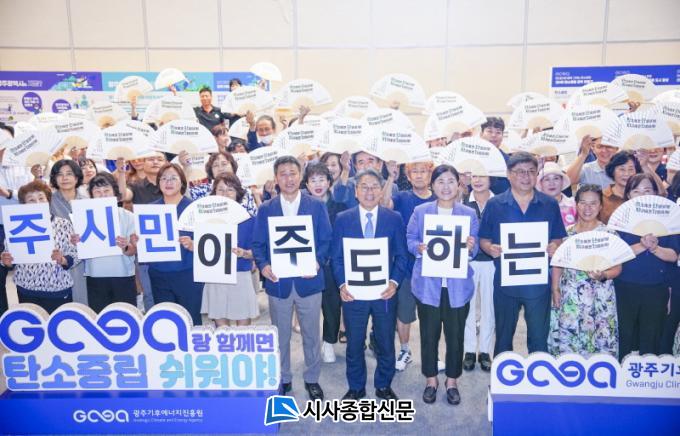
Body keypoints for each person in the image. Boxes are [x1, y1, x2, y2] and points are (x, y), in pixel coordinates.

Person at [252, 156, 332, 401]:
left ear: (301, 177)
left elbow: (326, 240)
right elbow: (258, 244)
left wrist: (317, 262)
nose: (288, 178)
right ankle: (283, 377)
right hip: (279, 283)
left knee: (311, 333)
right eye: (283, 174)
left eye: (293, 173)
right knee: (281, 335)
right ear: (276, 178)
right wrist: (264, 266)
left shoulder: (316, 206)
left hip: (309, 281)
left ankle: (312, 378)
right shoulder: (267, 209)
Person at [479, 152, 567, 355]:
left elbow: (557, 237)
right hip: (505, 281)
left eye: (531, 171)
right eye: (520, 172)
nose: (526, 177)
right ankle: (503, 374)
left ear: (537, 174)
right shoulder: (495, 204)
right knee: (503, 337)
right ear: (509, 174)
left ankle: (539, 372)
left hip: (538, 283)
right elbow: (484, 238)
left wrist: (554, 246)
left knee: (539, 338)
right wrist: (490, 248)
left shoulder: (549, 204)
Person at [332, 168, 408, 401]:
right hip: (353, 293)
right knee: (354, 343)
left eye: (375, 186)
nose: (369, 191)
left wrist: (394, 283)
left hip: (384, 293)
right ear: (355, 191)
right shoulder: (343, 219)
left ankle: (383, 385)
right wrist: (342, 285)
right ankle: (356, 387)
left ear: (381, 190)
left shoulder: (393, 218)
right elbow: (336, 257)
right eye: (364, 187)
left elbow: (402, 256)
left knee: (385, 341)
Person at [406, 164, 478, 405]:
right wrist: (418, 248)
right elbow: (410, 238)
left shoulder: (468, 214)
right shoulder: (421, 211)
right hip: (428, 286)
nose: (446, 187)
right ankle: (431, 379)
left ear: (459, 185)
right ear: (432, 185)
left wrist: (471, 246)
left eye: (450, 181)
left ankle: (452, 381)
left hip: (457, 287)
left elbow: (475, 248)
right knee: (429, 334)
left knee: (455, 335)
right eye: (440, 182)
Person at [548, 185, 620, 357]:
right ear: (576, 204)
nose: (588, 208)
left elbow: (617, 268)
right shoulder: (566, 234)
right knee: (569, 342)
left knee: (601, 344)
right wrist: (555, 289)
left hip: (600, 297)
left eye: (593, 203)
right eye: (583, 203)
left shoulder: (609, 235)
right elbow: (558, 264)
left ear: (600, 206)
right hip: (570, 295)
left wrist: (603, 275)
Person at [614, 173, 679, 359]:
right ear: (628, 195)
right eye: (636, 191)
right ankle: (623, 374)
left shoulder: (668, 221)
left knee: (651, 339)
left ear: (655, 193)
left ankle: (646, 376)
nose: (642, 195)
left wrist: (655, 247)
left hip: (656, 287)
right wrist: (642, 245)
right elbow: (616, 253)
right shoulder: (620, 220)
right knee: (625, 336)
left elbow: (674, 255)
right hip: (625, 286)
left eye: (647, 190)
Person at [384, 161, 435, 372]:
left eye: (424, 171)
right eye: (415, 171)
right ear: (409, 175)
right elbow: (383, 205)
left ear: (430, 174)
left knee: (432, 314)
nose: (420, 175)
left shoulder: (439, 197)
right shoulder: (402, 197)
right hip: (406, 265)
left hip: (434, 266)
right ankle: (405, 350)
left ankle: (431, 354)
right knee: (404, 312)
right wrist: (390, 178)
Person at [1, 181, 78, 313]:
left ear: (48, 200)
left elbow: (75, 253)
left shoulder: (63, 224)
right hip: (26, 289)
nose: (37, 203)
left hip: (58, 289)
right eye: (31, 200)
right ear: (24, 204)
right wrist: (6, 261)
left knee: (58, 325)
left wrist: (63, 259)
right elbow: (8, 256)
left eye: (41, 198)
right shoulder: (16, 224)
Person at [195, 174, 258, 326]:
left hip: (240, 273)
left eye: (230, 190)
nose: (225, 193)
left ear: (238, 193)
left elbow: (257, 251)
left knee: (243, 325)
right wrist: (193, 245)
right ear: (214, 192)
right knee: (221, 326)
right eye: (220, 189)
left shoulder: (249, 219)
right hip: (215, 274)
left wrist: (245, 253)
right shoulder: (205, 220)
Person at [71, 173, 138, 312]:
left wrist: (125, 246)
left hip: (123, 276)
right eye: (97, 191)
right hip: (95, 276)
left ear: (115, 193)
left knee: (126, 317)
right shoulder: (83, 217)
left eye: (106, 190)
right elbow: (78, 250)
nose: (102, 195)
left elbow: (133, 250)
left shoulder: (128, 216)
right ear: (91, 195)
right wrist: (76, 242)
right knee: (99, 317)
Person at [148, 163, 204, 326]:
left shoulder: (194, 208)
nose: (168, 182)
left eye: (173, 178)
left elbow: (207, 241)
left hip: (187, 273)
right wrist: (139, 241)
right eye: (164, 178)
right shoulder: (150, 209)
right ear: (158, 183)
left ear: (182, 182)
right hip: (159, 274)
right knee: (166, 322)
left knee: (191, 320)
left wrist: (194, 244)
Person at [303, 163, 346, 363]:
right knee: (308, 308)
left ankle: (329, 342)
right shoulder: (300, 207)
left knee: (332, 306)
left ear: (329, 182)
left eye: (322, 179)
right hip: (306, 264)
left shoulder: (340, 207)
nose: (318, 184)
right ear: (307, 185)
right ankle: (311, 345)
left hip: (330, 265)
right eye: (313, 180)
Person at [462, 174, 495, 372]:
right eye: (474, 176)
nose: (478, 180)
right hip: (469, 262)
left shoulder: (499, 202)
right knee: (468, 307)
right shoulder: (462, 202)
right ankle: (468, 350)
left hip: (492, 262)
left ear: (491, 178)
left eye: (482, 175)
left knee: (489, 307)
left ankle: (484, 350)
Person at [49, 159, 89, 306]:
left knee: (84, 300)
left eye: (69, 174)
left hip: (85, 257)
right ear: (54, 178)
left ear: (77, 177)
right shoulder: (48, 201)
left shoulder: (87, 200)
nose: (64, 178)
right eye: (60, 174)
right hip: (59, 259)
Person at [187, 150, 258, 215]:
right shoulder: (202, 190)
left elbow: (253, 217)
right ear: (211, 171)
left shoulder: (245, 191)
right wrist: (186, 168)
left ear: (232, 166)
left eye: (224, 164)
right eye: (215, 165)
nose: (220, 169)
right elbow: (185, 196)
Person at [333, 150, 398, 209]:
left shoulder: (391, 186)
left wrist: (391, 177)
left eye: (370, 162)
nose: (366, 166)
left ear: (379, 164)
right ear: (356, 166)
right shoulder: (348, 184)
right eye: (361, 163)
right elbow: (338, 198)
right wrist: (345, 170)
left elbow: (387, 208)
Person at [599, 151, 641, 224]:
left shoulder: (642, 196)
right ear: (612, 171)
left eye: (631, 169)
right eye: (622, 169)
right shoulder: (601, 197)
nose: (627, 174)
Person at [537, 162, 577, 228]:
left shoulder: (574, 204)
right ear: (541, 184)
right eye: (547, 179)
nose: (551, 183)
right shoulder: (534, 207)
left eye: (556, 178)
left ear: (562, 181)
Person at [480, 117, 511, 195]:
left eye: (498, 132)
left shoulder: (509, 161)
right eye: (489, 131)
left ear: (502, 136)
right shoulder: (472, 159)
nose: (494, 135)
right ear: (481, 134)